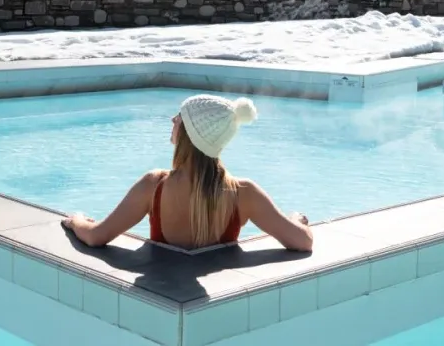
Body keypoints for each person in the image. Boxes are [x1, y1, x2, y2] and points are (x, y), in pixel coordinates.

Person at [62, 95, 314, 252]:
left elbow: (95, 237)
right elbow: (303, 242)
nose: (172, 119)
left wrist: (76, 220)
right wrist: (294, 221)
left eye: (180, 117)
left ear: (189, 134)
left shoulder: (153, 186)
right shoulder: (243, 193)